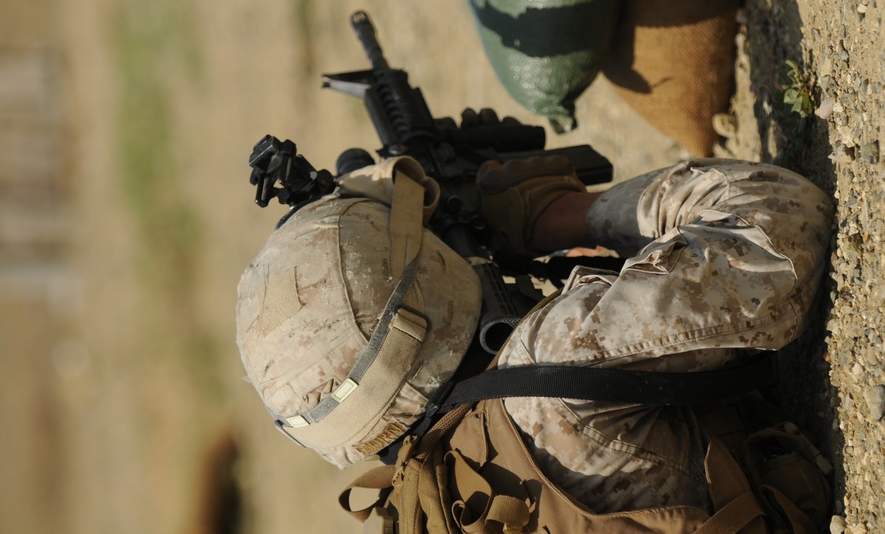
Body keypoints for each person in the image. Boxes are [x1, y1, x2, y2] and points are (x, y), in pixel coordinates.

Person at [235, 155, 834, 530]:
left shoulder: (422, 507)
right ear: (428, 290)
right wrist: (566, 216)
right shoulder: (548, 368)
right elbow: (778, 221)